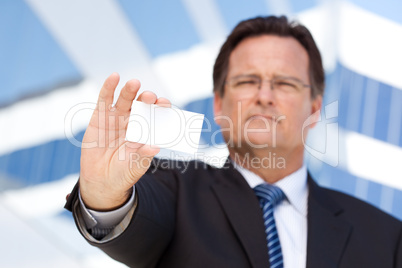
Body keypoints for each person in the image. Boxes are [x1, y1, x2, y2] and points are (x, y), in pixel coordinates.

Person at [65, 16, 402, 268]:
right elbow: (132, 218)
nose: (264, 96)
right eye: (247, 80)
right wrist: (104, 196)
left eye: (284, 83)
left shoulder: (386, 237)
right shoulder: (176, 189)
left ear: (314, 109)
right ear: (219, 103)